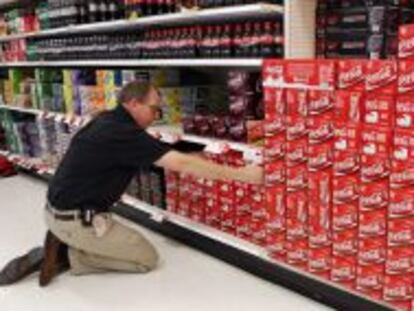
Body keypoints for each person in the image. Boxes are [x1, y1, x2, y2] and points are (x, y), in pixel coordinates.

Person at [0, 80, 264, 287]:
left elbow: (153, 152)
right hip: (77, 219)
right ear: (134, 104)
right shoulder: (124, 134)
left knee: (126, 244)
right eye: (154, 108)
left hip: (57, 209)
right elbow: (180, 165)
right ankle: (66, 257)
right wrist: (246, 175)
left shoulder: (107, 120)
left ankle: (68, 240)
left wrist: (192, 153)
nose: (157, 114)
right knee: (146, 259)